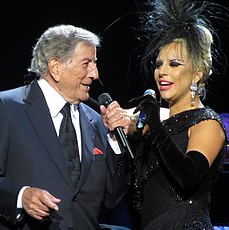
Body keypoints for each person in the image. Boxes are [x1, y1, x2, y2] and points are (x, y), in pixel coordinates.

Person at [128, 0, 227, 229]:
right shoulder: (162, 124)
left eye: (174, 64)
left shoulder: (207, 123)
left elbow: (188, 174)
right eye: (158, 64)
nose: (162, 72)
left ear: (196, 74)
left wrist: (153, 124)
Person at [0, 24, 132, 229]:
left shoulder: (95, 121)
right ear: (55, 67)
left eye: (95, 63)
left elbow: (111, 199)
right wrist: (21, 196)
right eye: (86, 63)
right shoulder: (8, 107)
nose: (95, 74)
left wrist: (115, 141)